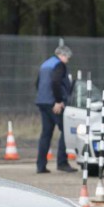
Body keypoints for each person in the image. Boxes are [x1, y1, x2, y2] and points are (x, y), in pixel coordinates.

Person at [35, 45, 75, 173]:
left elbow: (37, 83)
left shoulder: (45, 64)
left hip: (42, 102)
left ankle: (41, 166)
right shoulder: (59, 65)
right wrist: (58, 101)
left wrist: (44, 98)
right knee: (65, 130)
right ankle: (62, 162)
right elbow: (56, 82)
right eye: (67, 57)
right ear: (62, 55)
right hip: (54, 104)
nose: (67, 60)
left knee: (46, 134)